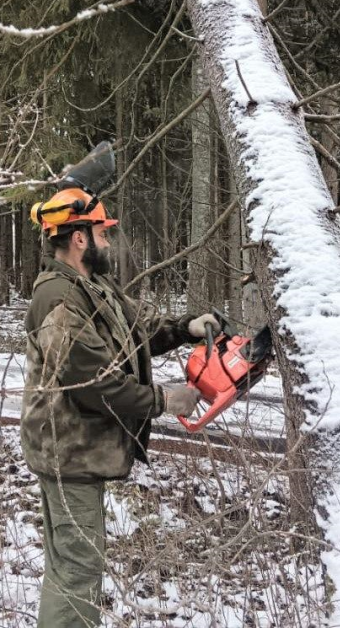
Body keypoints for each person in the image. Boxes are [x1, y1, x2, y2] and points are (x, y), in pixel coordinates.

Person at [21, 186, 218, 628]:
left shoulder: (92, 286)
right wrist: (166, 400)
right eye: (102, 233)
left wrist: (185, 327)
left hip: (80, 453)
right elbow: (97, 385)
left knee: (70, 568)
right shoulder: (58, 300)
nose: (108, 242)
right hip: (68, 456)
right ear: (79, 238)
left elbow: (137, 330)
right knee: (77, 572)